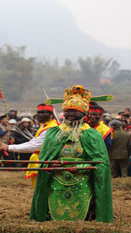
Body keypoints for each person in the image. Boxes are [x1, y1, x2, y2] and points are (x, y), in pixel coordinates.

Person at [30, 85, 113, 222]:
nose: (70, 114)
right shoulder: (53, 133)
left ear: (84, 113)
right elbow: (45, 159)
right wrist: (50, 165)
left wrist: (81, 167)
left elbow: (101, 163)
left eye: (74, 111)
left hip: (82, 183)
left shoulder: (92, 135)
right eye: (67, 110)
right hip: (56, 183)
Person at [0, 104, 59, 188]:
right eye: (39, 113)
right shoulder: (45, 126)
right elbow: (31, 143)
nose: (40, 115)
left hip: (44, 161)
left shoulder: (50, 129)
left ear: (51, 115)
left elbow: (33, 146)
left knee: (42, 191)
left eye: (43, 113)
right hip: (40, 160)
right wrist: (9, 146)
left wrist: (8, 147)